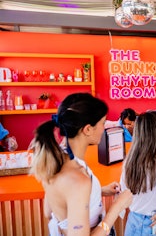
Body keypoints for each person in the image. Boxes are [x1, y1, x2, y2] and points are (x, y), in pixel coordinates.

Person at [29, 93, 133, 236]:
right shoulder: (78, 179)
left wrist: (98, 191)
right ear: (88, 129)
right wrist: (117, 206)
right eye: (103, 123)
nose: (104, 129)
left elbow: (49, 211)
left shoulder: (56, 159)